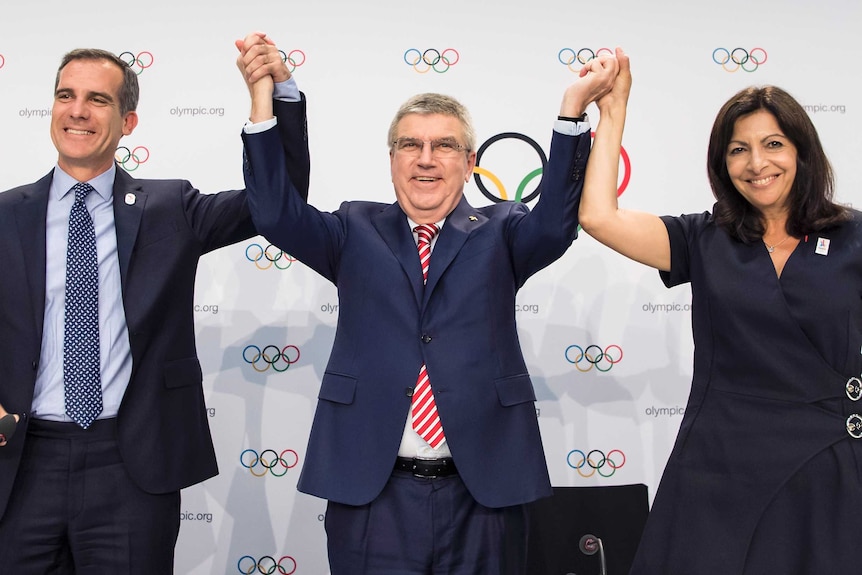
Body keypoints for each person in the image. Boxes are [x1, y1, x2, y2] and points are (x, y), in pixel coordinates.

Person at [241, 52, 620, 573]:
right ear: (391, 159)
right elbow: (274, 212)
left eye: (444, 146)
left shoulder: (503, 229)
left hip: (484, 493)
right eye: (410, 145)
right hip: (372, 492)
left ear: (469, 163)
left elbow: (556, 225)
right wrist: (271, 97)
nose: (425, 159)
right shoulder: (353, 228)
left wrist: (572, 111)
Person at [0, 34, 309, 573]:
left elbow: (277, 205)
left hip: (131, 465)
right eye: (66, 95)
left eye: (98, 100)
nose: (77, 111)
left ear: (128, 123)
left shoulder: (170, 208)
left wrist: (272, 95)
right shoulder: (5, 214)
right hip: (22, 464)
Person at [579, 49, 861, 573]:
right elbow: (598, 216)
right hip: (718, 472)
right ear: (721, 163)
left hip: (824, 471)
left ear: (803, 152)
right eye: (739, 150)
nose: (757, 164)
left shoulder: (853, 238)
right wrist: (612, 111)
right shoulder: (703, 239)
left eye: (773, 144)